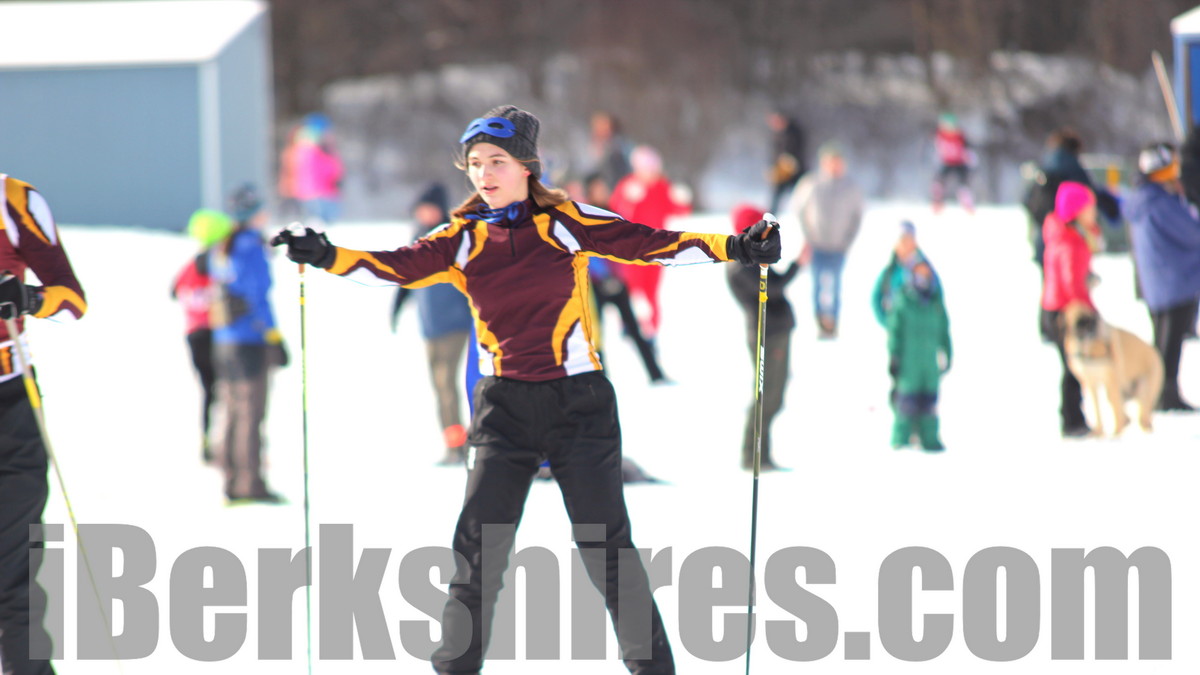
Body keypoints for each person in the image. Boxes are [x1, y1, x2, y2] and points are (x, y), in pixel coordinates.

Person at [272, 104, 781, 674]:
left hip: (579, 405)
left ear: (526, 166)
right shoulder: (462, 238)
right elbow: (393, 266)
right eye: (475, 163)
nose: (484, 173)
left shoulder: (566, 222)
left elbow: (649, 242)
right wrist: (326, 255)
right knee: (477, 553)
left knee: (607, 551)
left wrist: (738, 247)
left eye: (496, 161)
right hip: (503, 409)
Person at [0, 174, 87, 675]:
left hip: (9, 405)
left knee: (13, 568)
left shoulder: (14, 200)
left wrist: (29, 299)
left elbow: (72, 300)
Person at [208, 185, 287, 503]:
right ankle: (250, 482)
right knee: (251, 413)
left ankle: (231, 478)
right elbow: (257, 294)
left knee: (231, 410)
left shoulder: (222, 247)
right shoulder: (249, 246)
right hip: (249, 340)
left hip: (224, 338)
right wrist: (273, 336)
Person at [390, 184, 475, 464]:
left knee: (448, 384)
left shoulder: (451, 238)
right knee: (440, 388)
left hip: (456, 323)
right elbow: (406, 277)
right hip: (430, 325)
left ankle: (464, 445)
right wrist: (396, 309)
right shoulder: (418, 237)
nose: (424, 213)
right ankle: (453, 443)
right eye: (421, 209)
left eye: (429, 208)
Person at [1122, 142, 1200, 411]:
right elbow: (1192, 232)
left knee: (1163, 342)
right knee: (1170, 345)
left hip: (1157, 282)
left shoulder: (1143, 199)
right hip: (1175, 281)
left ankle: (1158, 391)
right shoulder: (1160, 203)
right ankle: (1164, 394)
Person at [726, 203, 798, 470]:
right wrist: (798, 265)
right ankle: (753, 455)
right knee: (767, 394)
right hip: (767, 333)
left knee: (773, 394)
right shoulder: (740, 264)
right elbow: (773, 287)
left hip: (777, 329)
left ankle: (761, 454)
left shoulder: (753, 257)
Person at [582, 173, 668, 384]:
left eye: (603, 186)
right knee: (596, 336)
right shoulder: (584, 216)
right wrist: (604, 277)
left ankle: (656, 374)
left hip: (619, 283)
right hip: (597, 285)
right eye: (597, 187)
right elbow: (590, 255)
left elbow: (626, 246)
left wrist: (620, 276)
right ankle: (601, 380)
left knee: (635, 330)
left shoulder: (613, 213)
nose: (602, 191)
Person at [609, 145, 692, 340]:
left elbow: (679, 210)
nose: (651, 173)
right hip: (632, 249)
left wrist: (683, 199)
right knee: (631, 289)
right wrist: (628, 201)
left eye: (654, 168)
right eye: (647, 169)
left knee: (651, 291)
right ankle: (628, 326)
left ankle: (651, 331)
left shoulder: (662, 186)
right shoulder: (628, 186)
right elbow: (614, 211)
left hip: (657, 248)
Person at [171, 209, 234, 463]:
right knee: (226, 388)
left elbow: (174, 290)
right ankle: (224, 443)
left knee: (209, 390)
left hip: (194, 333)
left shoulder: (191, 265)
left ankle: (209, 440)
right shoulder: (216, 261)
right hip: (215, 333)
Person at [1040, 181, 1101, 436]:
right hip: (1066, 313)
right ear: (1076, 212)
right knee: (1073, 367)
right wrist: (1089, 308)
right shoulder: (1070, 241)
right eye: (1090, 208)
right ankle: (1072, 420)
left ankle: (1073, 417)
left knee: (1073, 365)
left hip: (1061, 308)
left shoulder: (1071, 235)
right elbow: (1071, 283)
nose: (1094, 212)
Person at [788, 141, 864, 339]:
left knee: (836, 285)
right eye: (831, 161)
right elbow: (799, 209)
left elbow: (857, 216)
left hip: (839, 246)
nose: (835, 166)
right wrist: (808, 236)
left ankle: (834, 322)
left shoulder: (851, 187)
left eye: (838, 161)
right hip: (817, 244)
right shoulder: (811, 183)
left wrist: (847, 241)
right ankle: (819, 321)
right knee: (817, 285)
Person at [1023, 127, 1120, 267]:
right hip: (1067, 239)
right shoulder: (1071, 166)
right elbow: (1088, 193)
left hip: (1046, 236)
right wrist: (1112, 208)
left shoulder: (1046, 163)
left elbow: (1027, 199)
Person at [887, 260, 951, 451]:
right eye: (919, 274)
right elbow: (895, 331)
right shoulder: (904, 301)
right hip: (909, 363)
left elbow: (944, 331)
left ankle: (929, 439)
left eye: (926, 274)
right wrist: (894, 356)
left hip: (929, 364)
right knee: (907, 402)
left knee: (929, 403)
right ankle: (902, 440)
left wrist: (948, 354)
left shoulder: (935, 303)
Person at [870, 220, 937, 327]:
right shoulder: (889, 272)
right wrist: (889, 324)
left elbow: (937, 299)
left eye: (909, 240)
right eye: (903, 240)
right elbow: (875, 299)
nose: (906, 245)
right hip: (898, 327)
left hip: (921, 329)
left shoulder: (925, 269)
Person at [293, 113, 344, 225]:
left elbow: (334, 167)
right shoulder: (310, 149)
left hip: (326, 192)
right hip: (317, 193)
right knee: (318, 223)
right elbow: (314, 172)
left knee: (326, 223)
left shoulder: (324, 148)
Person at [931, 112, 974, 214]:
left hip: (960, 162)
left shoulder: (960, 136)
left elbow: (968, 149)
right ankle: (937, 203)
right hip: (946, 162)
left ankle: (967, 204)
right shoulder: (940, 135)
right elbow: (936, 148)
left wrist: (970, 159)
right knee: (939, 183)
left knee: (963, 185)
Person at [766, 110, 807, 214]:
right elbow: (775, 153)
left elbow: (798, 151)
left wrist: (790, 162)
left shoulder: (795, 132)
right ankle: (770, 218)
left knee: (801, 195)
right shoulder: (776, 134)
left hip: (796, 171)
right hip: (782, 172)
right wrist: (773, 167)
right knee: (776, 196)